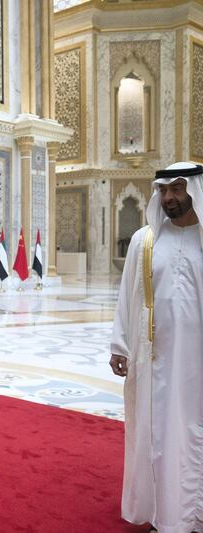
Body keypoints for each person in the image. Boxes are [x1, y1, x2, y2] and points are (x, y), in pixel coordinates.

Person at [110, 161, 203, 533]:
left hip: (196, 361)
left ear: (194, 191)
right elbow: (127, 297)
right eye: (163, 190)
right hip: (155, 360)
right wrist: (120, 345)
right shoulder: (144, 241)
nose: (169, 198)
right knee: (159, 432)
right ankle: (166, 513)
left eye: (177, 189)